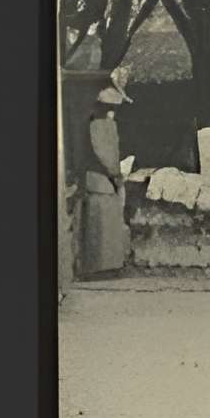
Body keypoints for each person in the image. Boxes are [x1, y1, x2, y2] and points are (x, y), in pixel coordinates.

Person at [77, 74, 133, 280]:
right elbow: (106, 154)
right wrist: (115, 174)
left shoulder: (92, 122)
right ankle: (103, 267)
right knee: (104, 223)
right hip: (101, 177)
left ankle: (96, 265)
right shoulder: (102, 125)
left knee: (97, 223)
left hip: (94, 176)